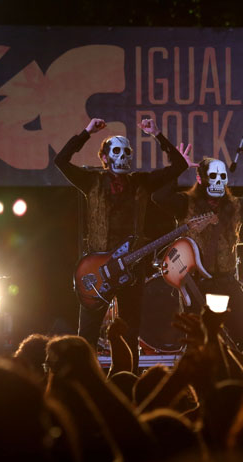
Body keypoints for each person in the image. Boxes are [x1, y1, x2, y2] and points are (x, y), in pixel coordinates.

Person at [55, 117, 188, 368]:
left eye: (127, 152)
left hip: (132, 267)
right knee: (88, 333)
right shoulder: (91, 181)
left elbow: (179, 165)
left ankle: (127, 378)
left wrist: (157, 134)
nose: (123, 156)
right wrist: (86, 132)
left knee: (129, 331)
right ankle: (84, 379)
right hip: (97, 267)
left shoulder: (141, 181)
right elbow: (60, 161)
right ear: (104, 158)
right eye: (116, 151)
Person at [151, 144, 243, 352]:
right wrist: (179, 167)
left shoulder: (236, 206)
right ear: (200, 178)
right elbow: (159, 197)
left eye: (222, 177)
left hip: (227, 281)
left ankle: (232, 366)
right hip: (197, 284)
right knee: (199, 340)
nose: (218, 182)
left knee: (242, 334)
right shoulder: (186, 204)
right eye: (212, 176)